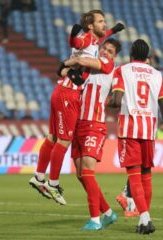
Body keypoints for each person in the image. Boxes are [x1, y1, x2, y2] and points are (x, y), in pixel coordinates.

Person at [28, 9, 124, 205]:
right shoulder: (87, 39)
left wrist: (114, 29)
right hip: (69, 95)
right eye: (101, 21)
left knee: (52, 137)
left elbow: (101, 37)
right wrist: (73, 36)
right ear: (90, 26)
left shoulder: (96, 40)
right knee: (63, 140)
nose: (104, 25)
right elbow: (77, 44)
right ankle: (53, 184)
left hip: (61, 91)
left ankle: (38, 177)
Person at [108, 39, 163, 234]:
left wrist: (104, 101)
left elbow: (117, 100)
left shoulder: (123, 70)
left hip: (130, 129)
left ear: (131, 54)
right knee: (146, 175)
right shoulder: (156, 74)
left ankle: (145, 218)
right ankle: (144, 219)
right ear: (148, 57)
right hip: (149, 130)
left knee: (134, 175)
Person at [62, 38, 122, 230]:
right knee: (81, 174)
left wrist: (72, 61)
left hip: (94, 124)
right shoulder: (87, 68)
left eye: (110, 51)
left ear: (114, 56)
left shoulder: (108, 65)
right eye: (104, 48)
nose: (105, 52)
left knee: (88, 170)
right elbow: (67, 72)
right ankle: (108, 213)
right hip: (77, 124)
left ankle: (95, 220)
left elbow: (80, 60)